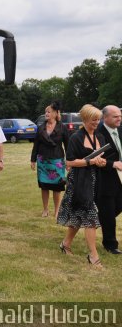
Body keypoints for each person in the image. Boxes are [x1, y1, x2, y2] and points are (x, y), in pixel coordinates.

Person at [57, 104, 107, 269]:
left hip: (95, 180)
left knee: (79, 216)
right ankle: (93, 255)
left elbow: (101, 158)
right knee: (90, 216)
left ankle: (65, 244)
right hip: (79, 181)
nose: (96, 122)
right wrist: (90, 161)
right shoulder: (75, 138)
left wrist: (101, 162)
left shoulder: (99, 136)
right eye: (94, 120)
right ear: (85, 119)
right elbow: (70, 162)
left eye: (98, 120)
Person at [30, 102, 70, 218]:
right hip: (43, 160)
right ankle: (45, 209)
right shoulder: (40, 127)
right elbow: (36, 145)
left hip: (57, 161)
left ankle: (57, 211)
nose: (46, 114)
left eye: (49, 112)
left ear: (55, 113)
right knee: (44, 186)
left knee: (57, 187)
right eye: (45, 112)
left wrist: (69, 161)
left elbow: (67, 145)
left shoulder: (62, 127)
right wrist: (33, 160)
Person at [96, 105, 122, 255]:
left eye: (120, 115)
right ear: (105, 118)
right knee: (108, 209)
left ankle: (100, 220)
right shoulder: (98, 133)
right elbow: (96, 158)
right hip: (105, 177)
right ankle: (110, 244)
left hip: (120, 176)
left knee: (111, 210)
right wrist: (113, 164)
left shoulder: (120, 129)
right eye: (115, 116)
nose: (119, 118)